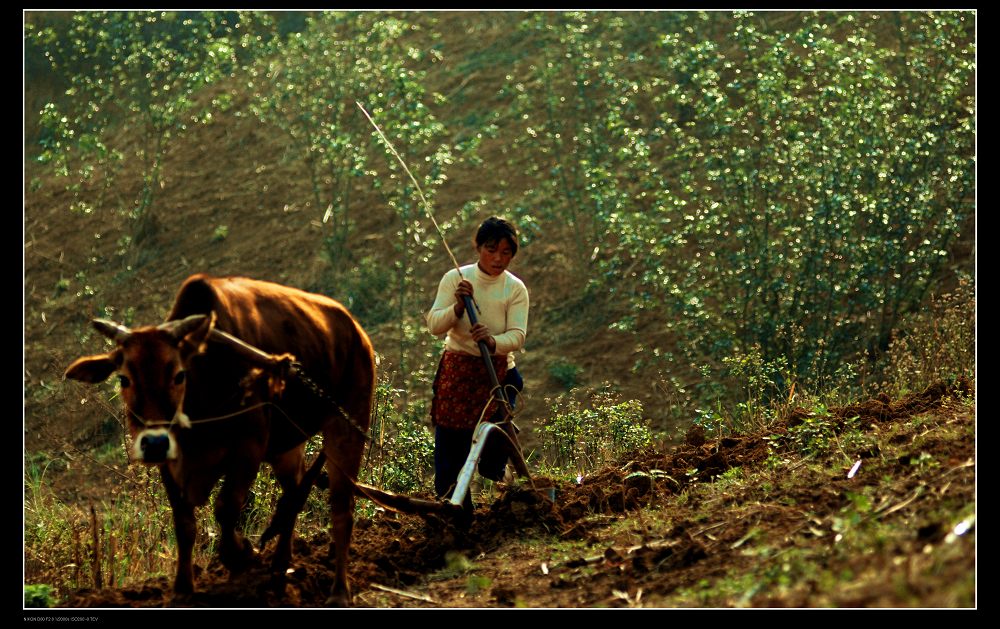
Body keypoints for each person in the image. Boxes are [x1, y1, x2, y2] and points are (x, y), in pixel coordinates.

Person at [425, 216, 529, 513]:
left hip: (498, 374)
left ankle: (505, 480)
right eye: (491, 249)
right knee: (450, 454)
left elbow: (518, 336)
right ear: (478, 248)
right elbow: (434, 324)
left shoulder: (514, 289)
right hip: (456, 375)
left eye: (506, 252)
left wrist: (493, 340)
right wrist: (457, 307)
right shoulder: (456, 279)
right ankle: (456, 515)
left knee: (493, 451)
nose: (498, 258)